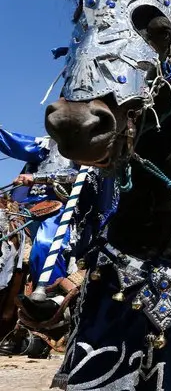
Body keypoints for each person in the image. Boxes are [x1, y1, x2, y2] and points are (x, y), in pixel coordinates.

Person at [0, 129, 79, 357]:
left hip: (61, 208)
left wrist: (39, 178)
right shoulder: (43, 145)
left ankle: (52, 304)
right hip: (26, 208)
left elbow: (77, 176)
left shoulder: (85, 148)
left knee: (44, 245)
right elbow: (13, 141)